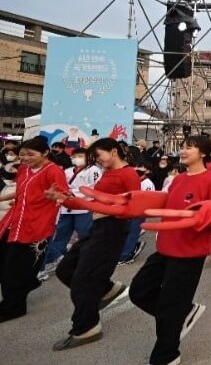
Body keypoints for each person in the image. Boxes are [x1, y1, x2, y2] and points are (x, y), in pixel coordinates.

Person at [128, 134, 211, 365]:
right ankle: (184, 312)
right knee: (138, 291)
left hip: (189, 252)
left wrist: (208, 216)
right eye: (182, 147)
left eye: (189, 148)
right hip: (164, 247)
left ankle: (165, 356)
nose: (183, 151)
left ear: (203, 153)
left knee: (172, 305)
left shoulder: (210, 180)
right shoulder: (178, 178)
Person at [50, 138, 142, 350]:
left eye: (99, 155)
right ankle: (105, 289)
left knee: (83, 282)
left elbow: (135, 206)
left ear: (113, 151)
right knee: (66, 270)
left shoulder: (128, 174)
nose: (98, 161)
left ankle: (86, 328)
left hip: (111, 230)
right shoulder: (108, 173)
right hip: (97, 228)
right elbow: (96, 200)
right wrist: (68, 199)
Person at [0, 137, 70, 322]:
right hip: (14, 221)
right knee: (5, 264)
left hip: (35, 226)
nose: (25, 158)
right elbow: (22, 191)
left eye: (31, 154)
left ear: (45, 153)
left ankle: (14, 307)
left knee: (14, 270)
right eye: (22, 154)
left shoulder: (53, 171)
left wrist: (57, 196)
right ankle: (26, 284)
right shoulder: (23, 169)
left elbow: (63, 194)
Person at [41, 148, 102, 277]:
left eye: (80, 156)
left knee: (85, 234)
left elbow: (95, 187)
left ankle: (87, 259)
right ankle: (56, 259)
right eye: (74, 156)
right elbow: (61, 186)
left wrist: (73, 192)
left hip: (83, 207)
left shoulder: (94, 170)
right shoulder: (68, 171)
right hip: (66, 208)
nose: (76, 158)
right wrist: (67, 193)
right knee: (61, 234)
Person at [118, 164, 155, 265]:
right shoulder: (131, 181)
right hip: (128, 211)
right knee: (126, 233)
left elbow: (148, 199)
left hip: (138, 212)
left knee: (132, 234)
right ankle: (130, 249)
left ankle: (124, 257)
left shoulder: (147, 183)